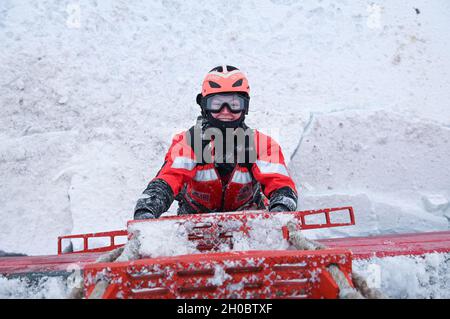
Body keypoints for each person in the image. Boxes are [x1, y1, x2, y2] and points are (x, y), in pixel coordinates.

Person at [134, 65, 298, 219]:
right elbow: (168, 179)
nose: (225, 111)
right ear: (204, 106)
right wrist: (146, 210)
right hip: (194, 226)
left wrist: (281, 212)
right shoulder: (190, 143)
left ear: (245, 107)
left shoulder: (261, 144)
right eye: (217, 104)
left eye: (234, 104)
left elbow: (280, 184)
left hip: (250, 225)